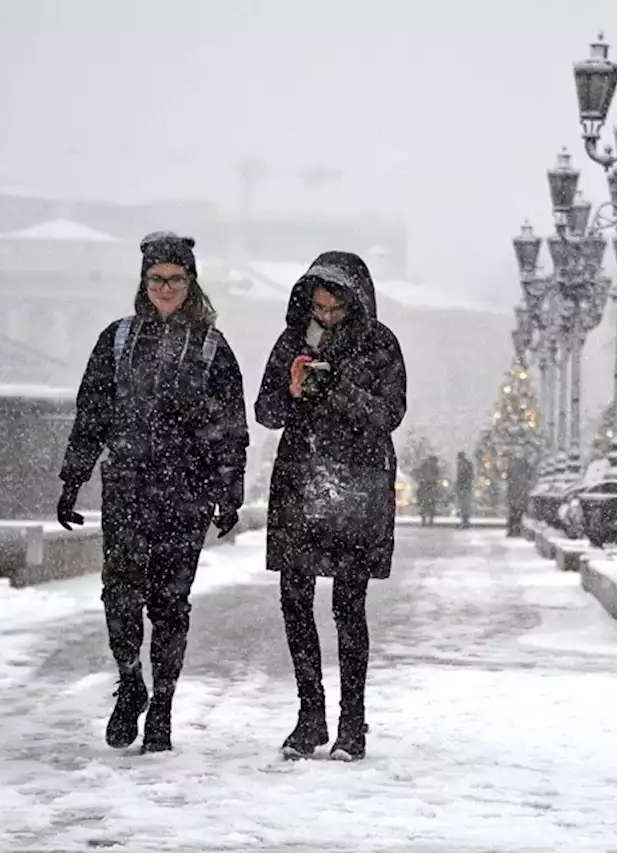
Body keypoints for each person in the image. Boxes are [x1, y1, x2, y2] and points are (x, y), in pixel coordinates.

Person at [56, 231, 249, 754]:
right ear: (144, 283)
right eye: (157, 278)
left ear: (191, 283)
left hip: (186, 494)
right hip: (127, 489)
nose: (166, 287)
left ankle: (162, 705)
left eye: (176, 279)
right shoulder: (117, 340)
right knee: (119, 596)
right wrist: (73, 477)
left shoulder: (211, 347)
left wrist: (229, 490)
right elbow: (91, 414)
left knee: (169, 604)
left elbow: (231, 427)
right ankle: (130, 680)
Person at [255, 250, 407, 762]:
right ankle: (309, 714)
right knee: (294, 601)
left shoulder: (381, 344)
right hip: (300, 480)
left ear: (355, 303)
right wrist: (294, 389)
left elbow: (389, 413)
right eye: (318, 308)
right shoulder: (292, 340)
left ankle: (352, 722)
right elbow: (266, 411)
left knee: (348, 607)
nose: (326, 317)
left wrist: (336, 387)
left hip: (357, 485)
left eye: (335, 310)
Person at [505, 453, 534, 537]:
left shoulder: (514, 469)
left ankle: (513, 529)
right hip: (520, 495)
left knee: (514, 513)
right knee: (518, 513)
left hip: (516, 495)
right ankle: (516, 529)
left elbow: (509, 480)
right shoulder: (526, 468)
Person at [414, 454, 441, 526]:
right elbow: (436, 476)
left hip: (425, 487)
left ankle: (424, 520)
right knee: (431, 505)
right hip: (430, 487)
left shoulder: (424, 465)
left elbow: (419, 474)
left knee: (424, 505)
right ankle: (430, 521)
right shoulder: (433, 467)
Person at [454, 450, 474, 529]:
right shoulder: (468, 463)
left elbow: (461, 476)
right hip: (466, 486)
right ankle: (465, 521)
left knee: (463, 505)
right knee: (465, 505)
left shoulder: (462, 464)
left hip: (463, 487)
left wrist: (458, 485)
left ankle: (465, 522)